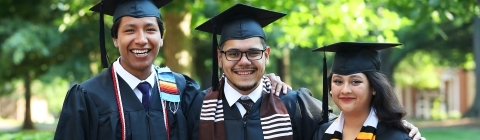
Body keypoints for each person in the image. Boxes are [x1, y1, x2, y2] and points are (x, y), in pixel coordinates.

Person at [53, 0, 290, 139]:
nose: (141, 39)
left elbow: (224, 100)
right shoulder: (87, 96)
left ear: (162, 37)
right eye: (129, 31)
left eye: (150, 29)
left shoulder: (180, 88)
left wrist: (263, 80)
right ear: (115, 39)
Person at [312, 42, 426, 140]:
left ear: (374, 88)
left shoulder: (394, 136)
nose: (345, 90)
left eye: (355, 81)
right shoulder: (321, 133)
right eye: (338, 81)